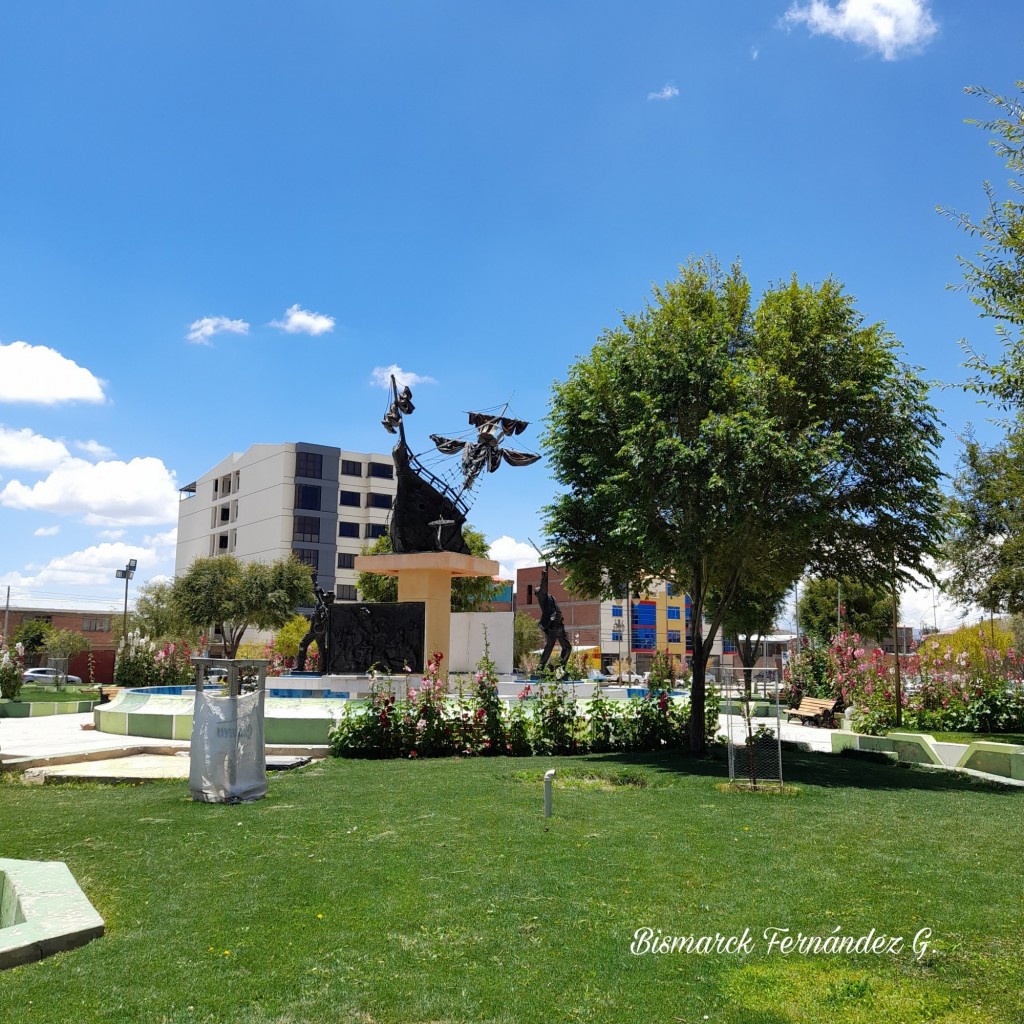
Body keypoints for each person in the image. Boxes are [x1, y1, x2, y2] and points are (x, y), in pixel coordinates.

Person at [297, 574, 334, 673]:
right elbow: (319, 591)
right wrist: (314, 581)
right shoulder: (325, 605)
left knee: (303, 644)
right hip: (320, 631)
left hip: (315, 630)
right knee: (322, 649)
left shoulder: (326, 608)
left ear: (329, 599)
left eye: (327, 596)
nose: (324, 596)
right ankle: (325, 668)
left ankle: (300, 667)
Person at [537, 565, 572, 670]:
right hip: (552, 626)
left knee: (568, 647)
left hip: (559, 625)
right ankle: (540, 667)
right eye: (539, 589)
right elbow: (544, 584)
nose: (541, 589)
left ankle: (560, 669)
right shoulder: (542, 597)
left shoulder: (550, 597)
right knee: (549, 646)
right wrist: (547, 568)